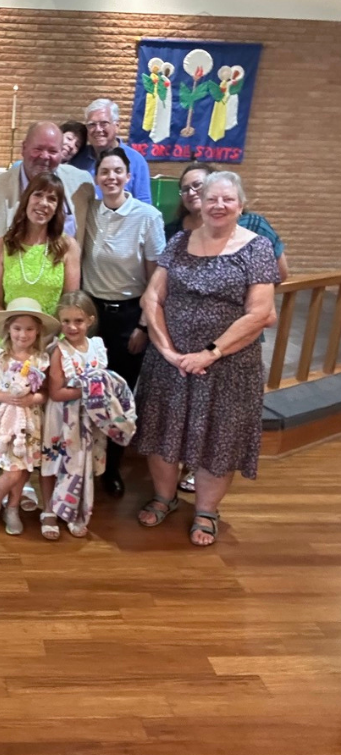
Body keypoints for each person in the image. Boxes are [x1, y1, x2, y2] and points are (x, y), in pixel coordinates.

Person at [135, 171, 279, 546]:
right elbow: (153, 297)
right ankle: (164, 497)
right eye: (211, 198)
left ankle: (206, 510)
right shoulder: (179, 242)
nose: (218, 205)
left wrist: (209, 353)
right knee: (162, 428)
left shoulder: (257, 248)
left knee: (219, 436)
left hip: (228, 366)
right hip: (170, 362)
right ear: (200, 204)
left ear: (241, 205)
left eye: (227, 199)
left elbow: (260, 313)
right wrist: (167, 350)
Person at [0, 121, 94, 343]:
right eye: (38, 148)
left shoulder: (81, 183)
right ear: (23, 148)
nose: (45, 157)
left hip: (56, 321)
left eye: (53, 151)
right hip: (5, 317)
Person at [82, 147, 165, 496]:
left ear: (129, 176)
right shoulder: (89, 211)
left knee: (119, 394)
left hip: (129, 314)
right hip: (91, 315)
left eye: (118, 171)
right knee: (87, 389)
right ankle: (84, 462)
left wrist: (144, 325)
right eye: (105, 171)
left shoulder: (147, 217)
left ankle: (112, 467)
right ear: (97, 177)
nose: (111, 177)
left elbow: (157, 277)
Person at [42, 291, 136, 538]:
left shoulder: (97, 347)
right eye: (66, 321)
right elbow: (56, 393)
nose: (72, 327)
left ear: (90, 320)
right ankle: (49, 509)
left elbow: (104, 380)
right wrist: (90, 390)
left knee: (82, 461)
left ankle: (73, 508)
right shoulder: (59, 351)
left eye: (78, 321)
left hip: (89, 418)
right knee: (55, 461)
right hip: (63, 418)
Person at [0, 298, 58, 537]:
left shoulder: (41, 359)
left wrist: (33, 399)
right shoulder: (0, 355)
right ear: (8, 329)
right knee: (11, 471)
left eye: (29, 329)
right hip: (5, 421)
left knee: (23, 469)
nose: (23, 334)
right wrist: (4, 396)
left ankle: (12, 507)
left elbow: (45, 392)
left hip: (30, 422)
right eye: (17, 328)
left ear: (38, 331)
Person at [0, 171, 81, 358]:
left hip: (51, 344)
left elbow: (69, 302)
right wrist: (14, 339)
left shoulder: (68, 247)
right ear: (26, 199)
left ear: (57, 208)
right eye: (38, 195)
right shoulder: (1, 245)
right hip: (10, 342)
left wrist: (48, 339)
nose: (43, 203)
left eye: (52, 199)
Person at [164, 162, 289, 282]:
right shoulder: (173, 233)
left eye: (197, 185)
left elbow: (279, 273)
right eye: (185, 189)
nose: (191, 193)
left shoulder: (253, 225)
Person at [71, 99, 152, 204]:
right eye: (92, 125)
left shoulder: (136, 161)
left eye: (104, 123)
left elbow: (144, 203)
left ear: (116, 126)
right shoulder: (77, 159)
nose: (98, 129)